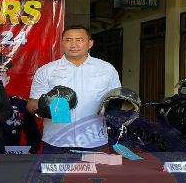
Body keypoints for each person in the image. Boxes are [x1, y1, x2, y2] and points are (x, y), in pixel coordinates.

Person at [27, 25, 121, 154]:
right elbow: (31, 104)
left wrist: (116, 109)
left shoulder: (107, 69)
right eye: (68, 40)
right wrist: (47, 107)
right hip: (56, 141)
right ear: (62, 43)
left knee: (96, 169)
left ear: (90, 43)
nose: (73, 44)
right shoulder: (46, 70)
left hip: (95, 141)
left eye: (79, 40)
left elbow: (117, 101)